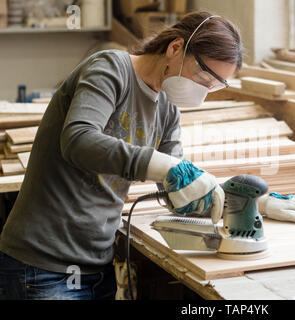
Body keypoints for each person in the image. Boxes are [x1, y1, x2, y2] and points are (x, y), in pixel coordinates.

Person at [0, 11, 241, 300]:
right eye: (203, 77)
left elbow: (178, 189)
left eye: (213, 86)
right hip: (42, 266)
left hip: (96, 265)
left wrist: (240, 202)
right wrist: (160, 165)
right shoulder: (110, 68)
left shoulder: (168, 109)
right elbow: (78, 140)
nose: (203, 92)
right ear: (175, 48)